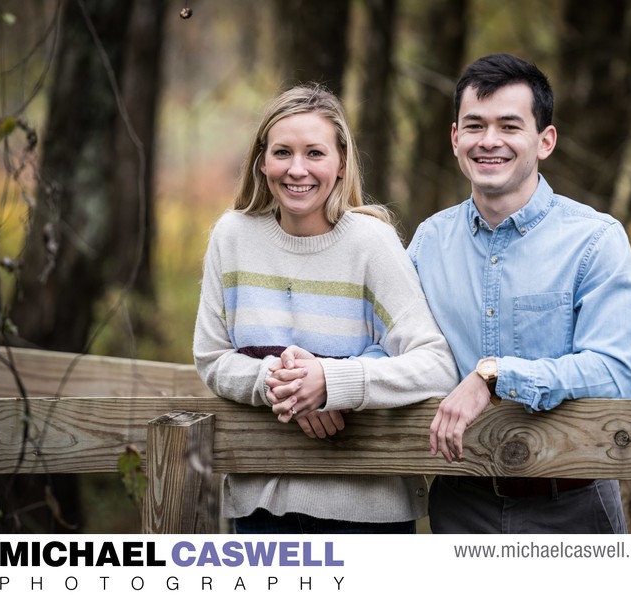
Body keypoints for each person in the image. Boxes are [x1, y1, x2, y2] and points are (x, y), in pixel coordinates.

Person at [193, 83, 458, 534]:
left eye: (315, 153)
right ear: (262, 161)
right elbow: (211, 358)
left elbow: (436, 365)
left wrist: (333, 383)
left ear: (340, 163)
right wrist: (286, 385)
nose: (298, 169)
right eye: (283, 153)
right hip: (259, 506)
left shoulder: (371, 243)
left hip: (366, 508)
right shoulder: (232, 237)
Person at [407, 54, 631, 533]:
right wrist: (331, 384)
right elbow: (396, 346)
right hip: (460, 500)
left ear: (545, 141)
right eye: (474, 125)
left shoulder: (596, 240)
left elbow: (614, 374)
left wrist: (493, 376)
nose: (489, 141)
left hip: (572, 505)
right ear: (455, 138)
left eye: (509, 126)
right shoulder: (428, 243)